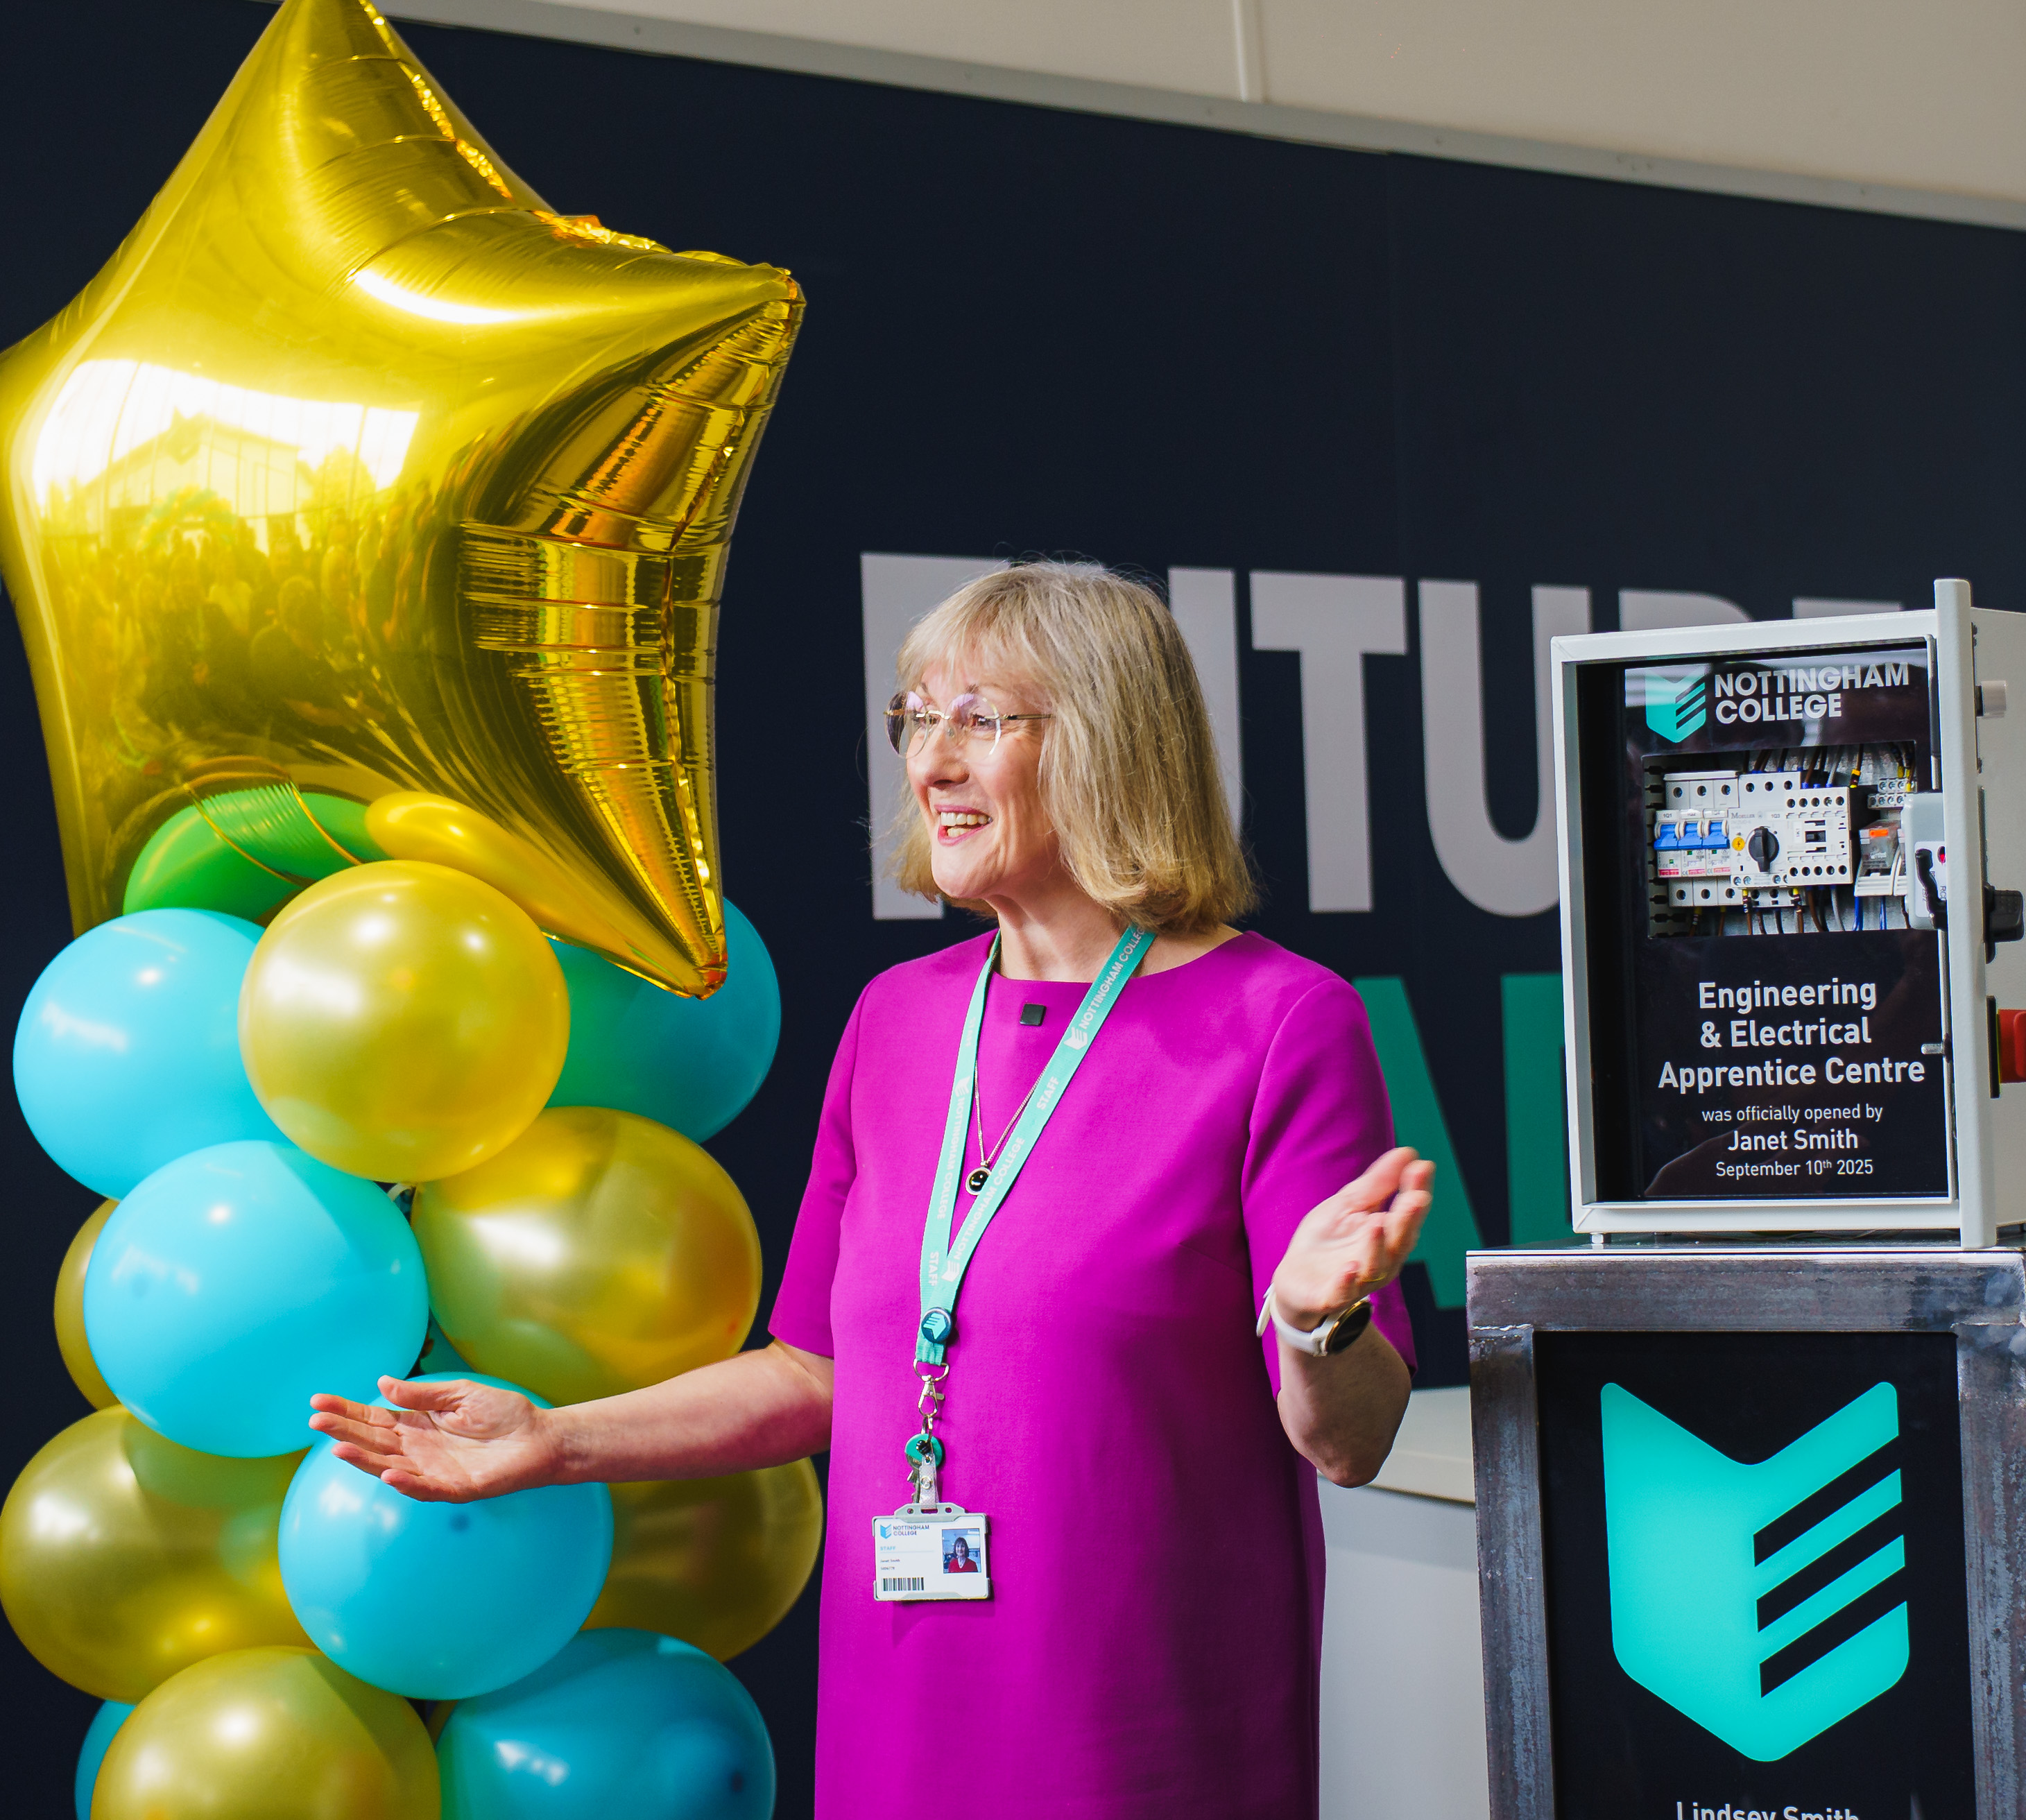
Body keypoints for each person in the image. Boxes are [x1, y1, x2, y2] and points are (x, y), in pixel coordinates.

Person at [307, 560, 1435, 1819]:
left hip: (1138, 1738)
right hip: (902, 1720)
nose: (931, 764)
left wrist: (1315, 1321)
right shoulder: (897, 1020)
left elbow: (1351, 1437)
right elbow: (814, 1374)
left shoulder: (1277, 1022)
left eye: (981, 721)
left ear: (1113, 740)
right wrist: (557, 1441)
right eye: (916, 718)